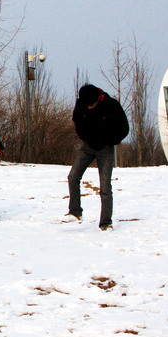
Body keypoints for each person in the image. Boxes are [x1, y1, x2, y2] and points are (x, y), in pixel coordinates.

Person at [66, 83, 129, 231]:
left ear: (98, 99)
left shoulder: (112, 105)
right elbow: (77, 120)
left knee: (105, 187)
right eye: (86, 105)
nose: (89, 107)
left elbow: (124, 128)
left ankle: (106, 223)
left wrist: (111, 141)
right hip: (88, 147)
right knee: (73, 177)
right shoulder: (82, 102)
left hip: (105, 149)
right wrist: (84, 136)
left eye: (92, 105)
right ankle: (75, 212)